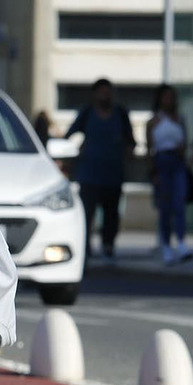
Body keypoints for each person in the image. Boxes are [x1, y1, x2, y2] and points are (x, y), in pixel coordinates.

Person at [65, 78, 134, 263]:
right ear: (94, 94)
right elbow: (69, 135)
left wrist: (126, 155)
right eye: (102, 91)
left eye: (108, 91)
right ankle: (85, 249)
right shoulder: (87, 113)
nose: (106, 95)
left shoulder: (120, 114)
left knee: (111, 214)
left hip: (113, 175)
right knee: (87, 214)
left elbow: (131, 141)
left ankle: (108, 247)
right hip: (89, 174)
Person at [148, 86, 193, 265]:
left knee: (179, 204)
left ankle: (181, 242)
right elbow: (150, 149)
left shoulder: (179, 119)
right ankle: (166, 245)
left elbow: (185, 143)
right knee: (165, 207)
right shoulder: (153, 121)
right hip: (161, 162)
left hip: (177, 163)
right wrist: (153, 172)